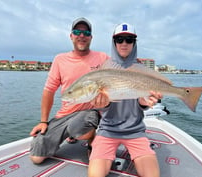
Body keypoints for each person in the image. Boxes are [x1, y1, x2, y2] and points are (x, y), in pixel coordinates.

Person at [29, 17, 110, 164]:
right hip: (65, 114)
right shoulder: (60, 59)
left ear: (91, 37)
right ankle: (69, 133)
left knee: (79, 127)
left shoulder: (102, 57)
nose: (81, 36)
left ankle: (93, 138)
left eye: (86, 33)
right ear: (71, 36)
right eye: (77, 32)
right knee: (36, 157)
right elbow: (49, 90)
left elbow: (119, 74)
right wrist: (43, 121)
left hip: (90, 112)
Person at [88, 23, 161, 177]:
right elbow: (103, 105)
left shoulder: (142, 70)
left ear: (134, 43)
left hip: (136, 131)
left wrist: (144, 102)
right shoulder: (103, 69)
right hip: (107, 130)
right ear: (113, 42)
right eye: (119, 39)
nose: (124, 43)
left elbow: (142, 102)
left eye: (129, 39)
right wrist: (103, 104)